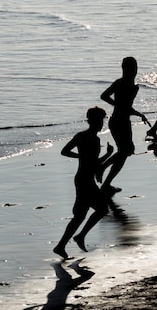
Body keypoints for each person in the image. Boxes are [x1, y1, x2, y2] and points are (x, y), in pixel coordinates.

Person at [53, 107, 114, 258]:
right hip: (85, 180)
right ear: (92, 121)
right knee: (101, 209)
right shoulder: (93, 139)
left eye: (102, 120)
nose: (101, 124)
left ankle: (62, 245)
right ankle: (76, 238)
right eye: (100, 121)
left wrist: (81, 157)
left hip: (82, 178)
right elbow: (95, 164)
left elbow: (65, 151)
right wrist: (108, 154)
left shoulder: (81, 136)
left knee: (81, 215)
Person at [100, 57, 149, 193]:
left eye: (134, 67)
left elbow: (125, 107)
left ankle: (106, 182)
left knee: (125, 152)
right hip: (118, 121)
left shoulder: (128, 84)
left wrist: (139, 114)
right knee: (126, 151)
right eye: (132, 68)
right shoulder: (122, 83)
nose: (134, 70)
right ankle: (102, 170)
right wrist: (118, 105)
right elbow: (104, 96)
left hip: (122, 121)